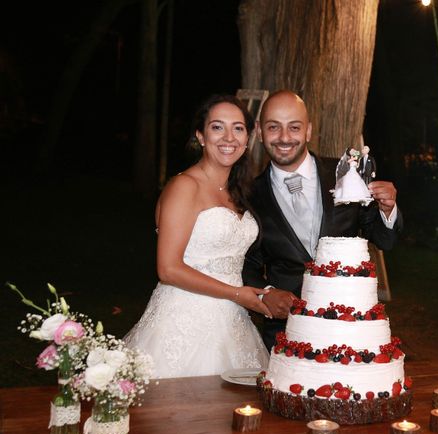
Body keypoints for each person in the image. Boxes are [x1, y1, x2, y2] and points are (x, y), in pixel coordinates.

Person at [242, 90, 402, 351]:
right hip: (287, 332)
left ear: (308, 131)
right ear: (259, 131)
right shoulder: (248, 195)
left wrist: (388, 209)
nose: (284, 138)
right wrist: (266, 292)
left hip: (351, 327)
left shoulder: (347, 175)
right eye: (274, 127)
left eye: (294, 127)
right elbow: (246, 263)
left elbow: (386, 239)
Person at [125, 94, 270, 379]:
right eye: (217, 127)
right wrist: (237, 294)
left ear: (247, 138)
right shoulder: (184, 186)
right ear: (201, 136)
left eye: (238, 128)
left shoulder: (237, 191)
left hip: (232, 322)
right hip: (184, 320)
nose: (229, 137)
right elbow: (168, 269)